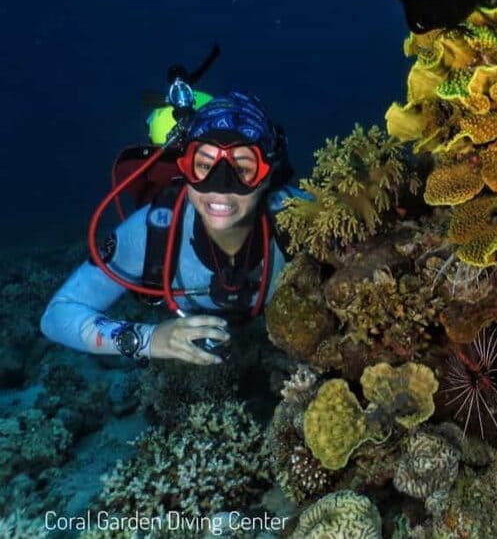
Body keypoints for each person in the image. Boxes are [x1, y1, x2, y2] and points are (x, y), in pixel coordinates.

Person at [41, 91, 309, 365]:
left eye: (243, 168)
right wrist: (148, 339)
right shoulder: (153, 232)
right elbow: (57, 315)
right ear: (184, 169)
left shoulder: (302, 216)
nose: (220, 185)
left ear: (268, 175)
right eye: (204, 165)